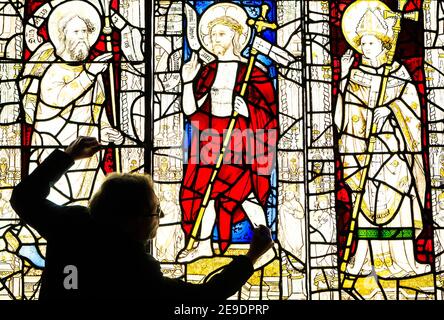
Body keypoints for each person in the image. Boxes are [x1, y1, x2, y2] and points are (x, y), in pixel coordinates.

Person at [10, 136, 273, 300]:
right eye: (154, 211)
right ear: (132, 220)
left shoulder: (71, 224)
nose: (159, 216)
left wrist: (68, 156)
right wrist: (250, 258)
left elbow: (23, 198)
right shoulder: (137, 269)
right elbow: (205, 297)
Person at [335, 6, 430, 282]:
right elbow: (342, 118)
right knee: (364, 204)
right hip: (363, 150)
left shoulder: (398, 74)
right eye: (362, 42)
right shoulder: (354, 76)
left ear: (383, 44)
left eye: (370, 42)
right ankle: (365, 258)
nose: (364, 47)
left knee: (398, 201)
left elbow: (413, 110)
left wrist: (392, 109)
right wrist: (341, 78)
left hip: (393, 150)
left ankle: (402, 259)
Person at [179, 8, 278, 262]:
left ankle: (267, 245)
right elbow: (191, 110)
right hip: (210, 139)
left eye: (221, 34)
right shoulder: (208, 71)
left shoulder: (254, 73)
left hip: (242, 140)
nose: (215, 41)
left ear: (237, 35)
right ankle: (203, 246)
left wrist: (248, 109)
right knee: (207, 193)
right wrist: (188, 81)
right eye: (212, 36)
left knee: (246, 193)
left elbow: (269, 115)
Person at [20, 1, 123, 206]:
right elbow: (58, 99)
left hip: (88, 157)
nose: (82, 37)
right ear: (62, 35)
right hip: (57, 151)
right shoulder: (54, 70)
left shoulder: (91, 72)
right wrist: (91, 73)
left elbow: (97, 108)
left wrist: (107, 129)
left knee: (91, 204)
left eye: (85, 32)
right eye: (76, 31)